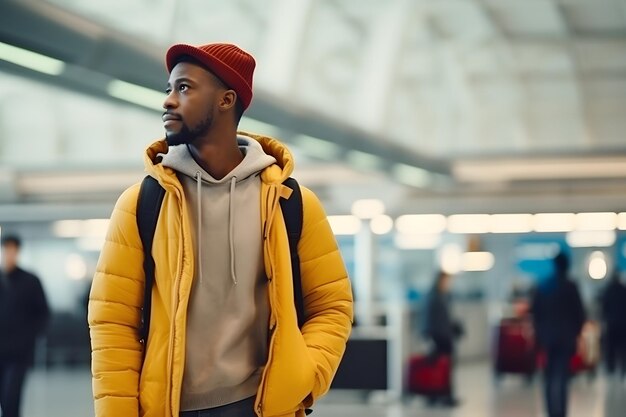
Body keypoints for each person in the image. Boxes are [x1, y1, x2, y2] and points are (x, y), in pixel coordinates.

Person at [88, 43, 353, 417]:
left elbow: (332, 305)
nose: (168, 101)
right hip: (169, 408)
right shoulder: (142, 203)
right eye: (168, 89)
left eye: (184, 88)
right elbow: (113, 320)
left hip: (262, 405)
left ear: (226, 100)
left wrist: (304, 376)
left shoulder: (290, 203)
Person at [0, 234, 50, 417]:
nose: (9, 254)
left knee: (11, 398)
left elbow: (43, 313)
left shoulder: (30, 281)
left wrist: (30, 337)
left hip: (18, 353)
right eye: (7, 250)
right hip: (1, 349)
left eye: (13, 250)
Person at [532, 252, 585, 417]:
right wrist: (575, 332)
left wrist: (540, 334)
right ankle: (560, 412)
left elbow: (535, 313)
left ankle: (550, 411)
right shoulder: (570, 286)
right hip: (566, 339)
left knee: (548, 377)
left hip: (547, 339)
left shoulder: (543, 286)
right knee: (561, 376)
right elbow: (580, 314)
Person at [423, 270, 462, 407]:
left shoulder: (442, 296)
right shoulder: (434, 297)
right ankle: (439, 395)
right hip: (439, 337)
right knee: (440, 368)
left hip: (444, 336)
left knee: (445, 368)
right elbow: (430, 320)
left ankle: (443, 395)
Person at [600, 271, 626, 378]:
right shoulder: (623, 290)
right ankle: (623, 369)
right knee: (622, 348)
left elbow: (604, 308)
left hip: (611, 324)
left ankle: (611, 369)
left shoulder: (609, 290)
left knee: (611, 348)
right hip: (623, 324)